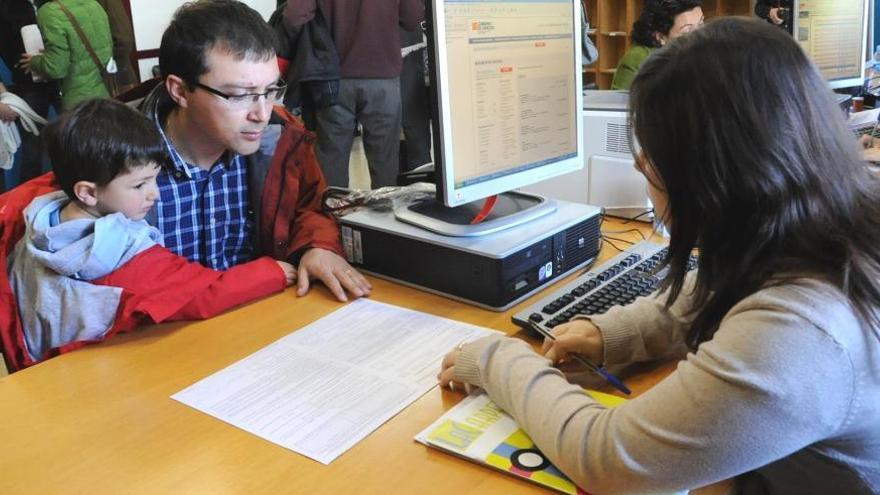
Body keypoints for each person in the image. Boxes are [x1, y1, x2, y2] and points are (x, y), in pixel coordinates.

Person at [439, 17, 880, 494]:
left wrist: (494, 359)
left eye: (650, 160)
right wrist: (616, 332)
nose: (644, 176)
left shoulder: (802, 336)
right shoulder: (832, 220)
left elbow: (608, 459)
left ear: (711, 179)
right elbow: (726, 289)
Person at [6, 98, 296, 364]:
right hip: (100, 373)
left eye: (154, 180)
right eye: (139, 185)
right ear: (88, 193)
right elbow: (204, 294)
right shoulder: (119, 250)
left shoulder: (37, 219)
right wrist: (274, 272)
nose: (154, 194)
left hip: (42, 365)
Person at [140, 0, 370, 302]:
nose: (262, 113)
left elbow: (309, 208)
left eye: (271, 91)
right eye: (240, 96)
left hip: (258, 320)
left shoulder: (280, 138)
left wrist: (317, 247)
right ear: (180, 91)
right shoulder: (113, 162)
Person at [283, 0, 424, 188]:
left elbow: (294, 17)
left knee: (331, 158)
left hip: (333, 80)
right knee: (385, 162)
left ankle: (332, 214)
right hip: (383, 79)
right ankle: (384, 213)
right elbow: (412, 18)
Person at [0, 0, 59, 187]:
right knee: (32, 149)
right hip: (27, 82)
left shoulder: (50, 4)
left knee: (74, 141)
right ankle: (28, 202)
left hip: (61, 77)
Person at [18, 0, 113, 110]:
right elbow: (105, 48)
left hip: (77, 98)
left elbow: (56, 68)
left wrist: (34, 61)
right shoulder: (94, 4)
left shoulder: (49, 11)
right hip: (102, 92)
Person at [610, 0, 703, 90]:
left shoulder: (702, 52)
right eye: (687, 31)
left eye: (701, 23)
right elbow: (617, 103)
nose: (700, 35)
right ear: (660, 37)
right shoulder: (638, 58)